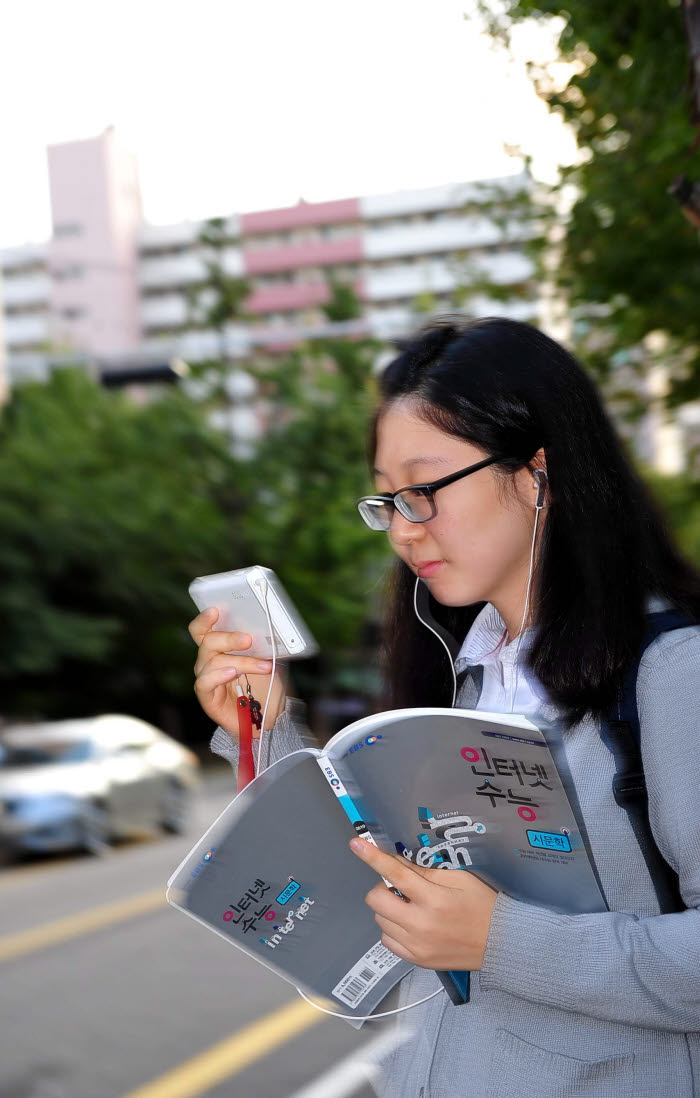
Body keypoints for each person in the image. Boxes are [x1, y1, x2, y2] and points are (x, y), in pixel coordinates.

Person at [188, 315, 700, 1098]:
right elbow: (385, 925)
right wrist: (266, 727)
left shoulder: (671, 675)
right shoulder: (464, 679)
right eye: (387, 501)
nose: (401, 529)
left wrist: (501, 941)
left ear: (537, 473)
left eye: (422, 492)